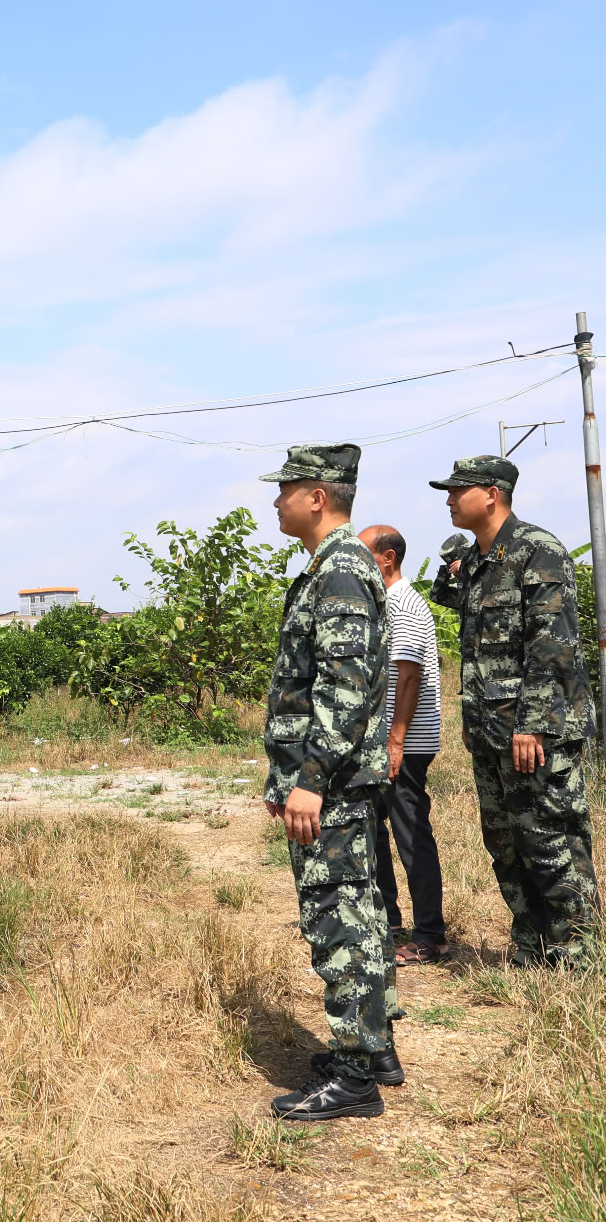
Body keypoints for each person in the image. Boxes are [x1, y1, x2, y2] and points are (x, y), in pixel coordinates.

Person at [259, 443, 399, 1121]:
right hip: (338, 782)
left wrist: (309, 779)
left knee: (340, 922)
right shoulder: (336, 566)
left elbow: (343, 690)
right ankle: (374, 1050)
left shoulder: (341, 569)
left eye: (286, 488)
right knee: (360, 915)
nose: (276, 500)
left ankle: (355, 1077)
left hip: (331, 787)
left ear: (318, 496)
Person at [429, 455, 598, 968]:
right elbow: (470, 633)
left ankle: (579, 952)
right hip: (489, 732)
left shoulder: (538, 551)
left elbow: (552, 647)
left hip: (534, 732)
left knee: (549, 837)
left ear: (492, 494)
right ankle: (531, 944)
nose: (450, 499)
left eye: (459, 490)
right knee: (505, 842)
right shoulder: (479, 561)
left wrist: (533, 727)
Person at [358, 524, 452, 965]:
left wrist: (395, 742)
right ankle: (389, 919)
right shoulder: (387, 602)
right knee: (376, 825)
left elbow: (410, 675)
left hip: (407, 742)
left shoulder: (403, 603)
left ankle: (431, 936)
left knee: (411, 832)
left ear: (388, 558)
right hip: (390, 739)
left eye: (364, 555)